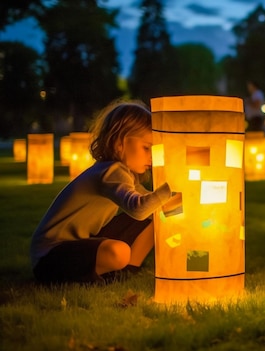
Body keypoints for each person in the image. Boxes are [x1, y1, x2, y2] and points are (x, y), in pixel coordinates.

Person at [30, 100, 180, 285]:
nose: (151, 156)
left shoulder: (125, 174)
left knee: (155, 213)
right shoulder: (110, 171)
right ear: (119, 144)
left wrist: (183, 213)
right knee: (120, 251)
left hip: (79, 244)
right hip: (51, 256)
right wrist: (172, 185)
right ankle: (100, 273)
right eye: (146, 147)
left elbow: (153, 205)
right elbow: (139, 209)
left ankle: (125, 272)